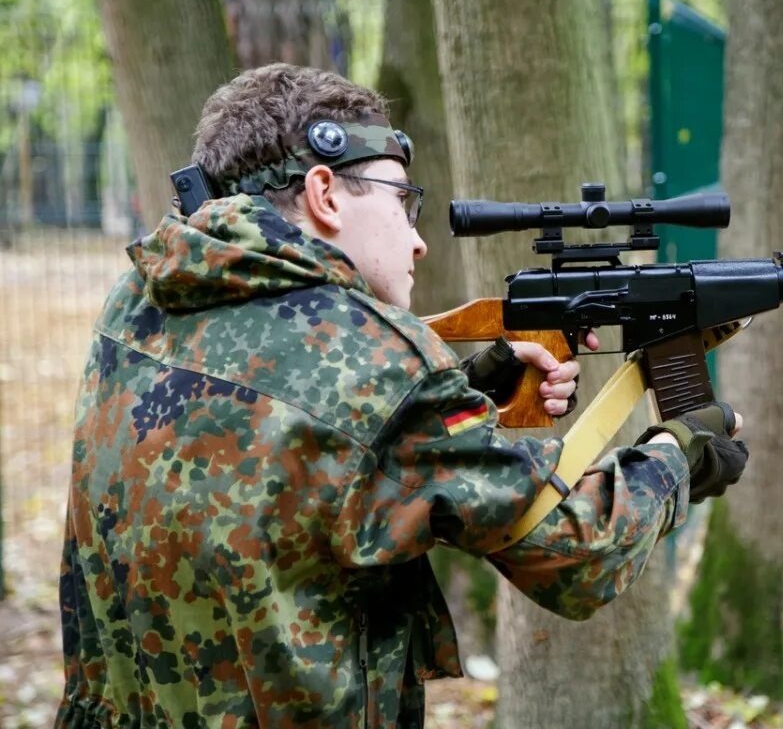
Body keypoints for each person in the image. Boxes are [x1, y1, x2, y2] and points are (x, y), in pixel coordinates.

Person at [57, 63, 747, 727]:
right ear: (325, 194)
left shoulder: (144, 297)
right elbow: (572, 557)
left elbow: (288, 450)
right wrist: (677, 454)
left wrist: (464, 392)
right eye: (400, 199)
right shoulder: (378, 361)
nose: (416, 241)